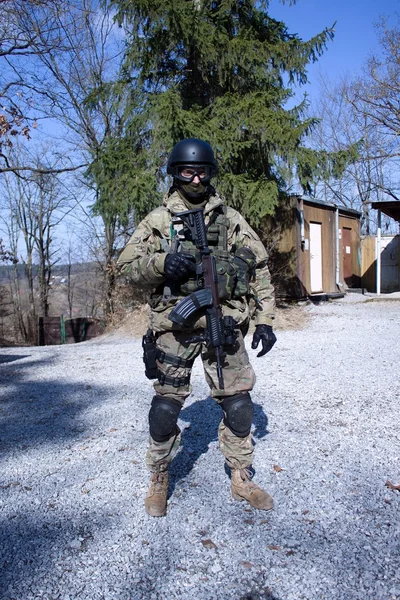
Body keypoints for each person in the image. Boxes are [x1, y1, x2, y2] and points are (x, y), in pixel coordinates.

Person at [117, 138, 277, 517]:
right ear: (175, 173)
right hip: (175, 329)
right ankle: (158, 477)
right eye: (187, 171)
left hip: (224, 326)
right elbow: (125, 267)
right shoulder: (158, 221)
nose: (194, 178)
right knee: (165, 411)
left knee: (239, 407)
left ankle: (241, 477)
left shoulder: (231, 219)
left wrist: (266, 320)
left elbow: (260, 271)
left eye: (201, 171)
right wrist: (161, 264)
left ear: (210, 173)